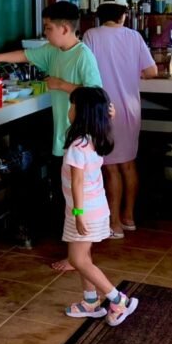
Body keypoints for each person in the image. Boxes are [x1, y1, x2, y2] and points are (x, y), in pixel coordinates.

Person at [0, 1, 102, 272]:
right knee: (66, 196)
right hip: (62, 137)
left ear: (64, 28)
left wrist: (61, 84)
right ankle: (75, 254)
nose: (45, 33)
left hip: (78, 139)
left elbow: (96, 94)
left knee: (78, 197)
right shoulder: (53, 50)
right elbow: (26, 55)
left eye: (48, 28)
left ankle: (79, 257)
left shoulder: (83, 56)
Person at [61, 86, 139, 326]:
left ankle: (118, 300)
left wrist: (78, 214)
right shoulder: (95, 137)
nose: (69, 110)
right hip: (93, 209)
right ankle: (90, 302)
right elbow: (104, 117)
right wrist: (107, 113)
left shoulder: (77, 147)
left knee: (78, 260)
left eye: (73, 106)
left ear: (82, 113)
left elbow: (77, 182)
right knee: (83, 256)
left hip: (83, 211)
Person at [83, 0, 158, 236]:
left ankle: (114, 224)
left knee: (110, 168)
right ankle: (128, 217)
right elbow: (152, 72)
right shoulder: (134, 37)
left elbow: (85, 71)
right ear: (124, 14)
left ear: (100, 13)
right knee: (128, 164)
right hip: (131, 110)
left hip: (105, 109)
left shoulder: (91, 35)